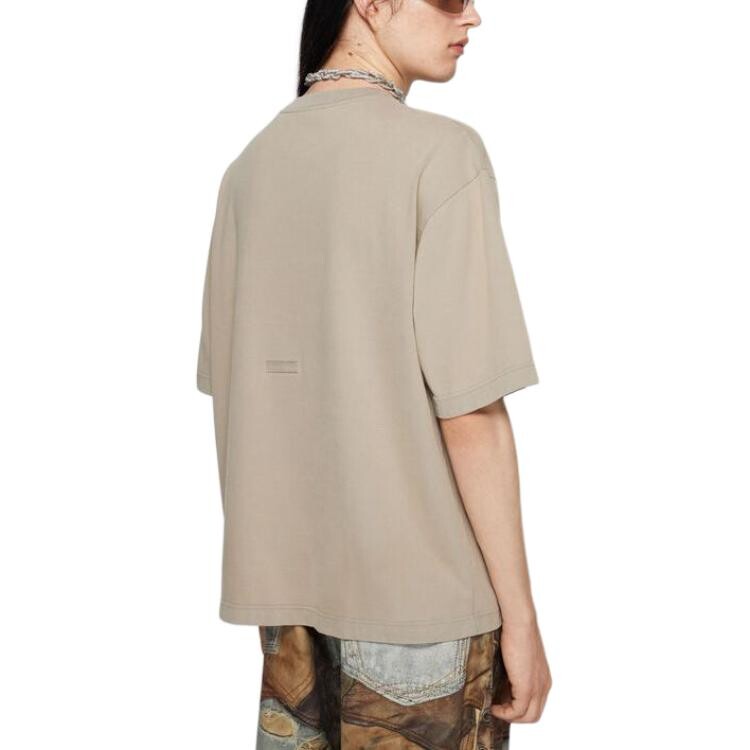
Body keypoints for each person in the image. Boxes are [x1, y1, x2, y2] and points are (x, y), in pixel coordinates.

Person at [196, 0, 552, 747]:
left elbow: (236, 392)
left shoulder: (249, 169)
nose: (472, 17)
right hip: (424, 613)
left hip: (289, 614)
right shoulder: (440, 154)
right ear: (370, 2)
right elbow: (470, 414)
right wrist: (521, 619)